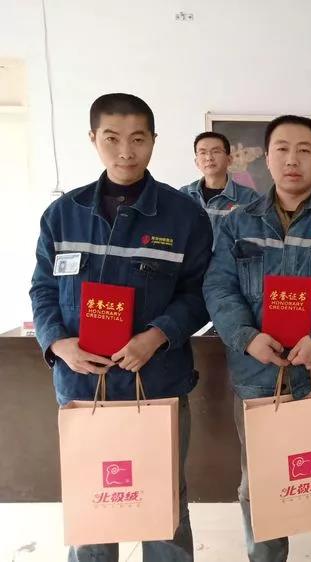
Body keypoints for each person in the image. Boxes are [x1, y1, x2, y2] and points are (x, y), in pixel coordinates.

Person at [30, 93, 213, 562]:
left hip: (156, 384)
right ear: (93, 139)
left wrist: (157, 335)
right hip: (82, 386)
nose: (126, 152)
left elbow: (199, 294)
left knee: (163, 506)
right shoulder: (62, 215)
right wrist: (58, 342)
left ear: (154, 140)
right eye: (112, 139)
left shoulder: (184, 215)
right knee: (93, 505)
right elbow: (43, 289)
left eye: (138, 139)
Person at [202, 115, 311, 562]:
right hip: (258, 376)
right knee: (261, 483)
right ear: (267, 157)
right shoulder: (238, 222)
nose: (292, 159)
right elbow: (218, 287)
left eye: (304, 150)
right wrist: (246, 337)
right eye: (282, 149)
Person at [180, 131, 259, 248]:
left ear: (229, 159)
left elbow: (256, 241)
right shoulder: (184, 195)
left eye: (216, 151)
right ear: (196, 162)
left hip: (230, 260)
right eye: (203, 153)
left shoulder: (249, 198)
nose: (209, 158)